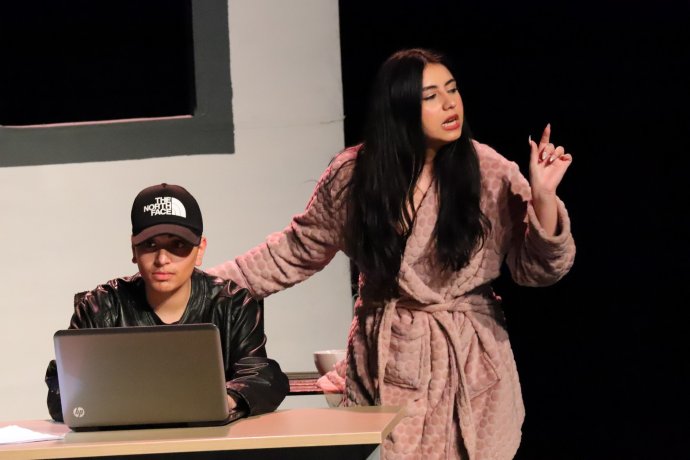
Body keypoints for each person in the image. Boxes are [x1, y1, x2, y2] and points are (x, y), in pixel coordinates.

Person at [208, 48, 575, 459]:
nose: (450, 104)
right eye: (431, 96)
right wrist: (202, 287)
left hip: (470, 362)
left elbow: (538, 271)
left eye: (452, 90)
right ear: (399, 106)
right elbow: (293, 251)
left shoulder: (489, 171)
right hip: (387, 355)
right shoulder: (355, 176)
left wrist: (544, 195)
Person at [45, 183, 289, 422]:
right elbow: (62, 390)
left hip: (211, 441)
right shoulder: (101, 306)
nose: (162, 259)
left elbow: (261, 375)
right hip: (121, 442)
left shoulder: (233, 305)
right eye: (150, 245)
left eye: (178, 245)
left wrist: (225, 400)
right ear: (133, 249)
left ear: (200, 250)